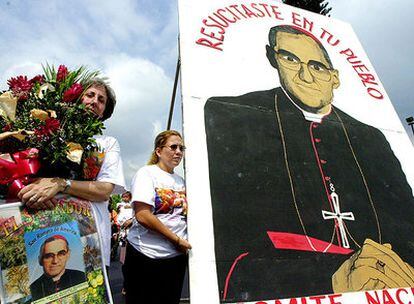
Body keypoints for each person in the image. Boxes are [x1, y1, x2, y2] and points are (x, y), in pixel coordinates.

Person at [204, 25, 414, 302]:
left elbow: (405, 222)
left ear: (335, 77)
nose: (305, 75)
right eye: (290, 59)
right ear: (272, 59)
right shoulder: (231, 116)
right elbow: (229, 246)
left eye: (317, 66)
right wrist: (331, 277)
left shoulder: (371, 137)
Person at [17, 78, 126, 268]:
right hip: (42, 236)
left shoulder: (107, 143)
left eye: (101, 100)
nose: (94, 102)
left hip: (91, 243)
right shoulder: (46, 132)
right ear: (76, 98)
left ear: (104, 111)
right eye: (90, 95)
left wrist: (61, 184)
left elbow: (104, 190)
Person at [123, 130, 191, 304]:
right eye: (173, 147)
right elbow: (143, 215)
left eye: (181, 148)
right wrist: (176, 240)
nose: (178, 152)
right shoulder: (146, 174)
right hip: (145, 256)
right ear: (159, 151)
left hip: (174, 259)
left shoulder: (182, 181)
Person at [30, 235, 86, 300]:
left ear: (68, 255)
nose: (55, 261)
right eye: (49, 256)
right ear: (40, 260)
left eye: (61, 254)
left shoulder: (81, 276)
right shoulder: (33, 288)